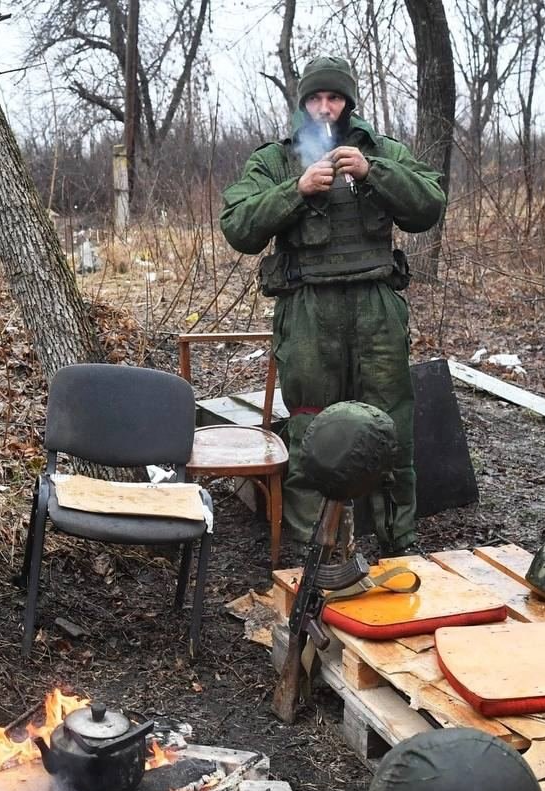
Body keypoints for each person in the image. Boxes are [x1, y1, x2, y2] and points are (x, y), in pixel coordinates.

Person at [219, 56, 446, 556]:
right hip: (308, 312)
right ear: (302, 103)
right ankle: (312, 551)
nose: (325, 108)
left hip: (376, 308)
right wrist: (295, 191)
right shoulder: (276, 160)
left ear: (348, 102)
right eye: (316, 99)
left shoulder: (382, 150)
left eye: (334, 98)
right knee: (310, 426)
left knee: (390, 424)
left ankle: (398, 543)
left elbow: (429, 204)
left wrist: (375, 173)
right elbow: (237, 226)